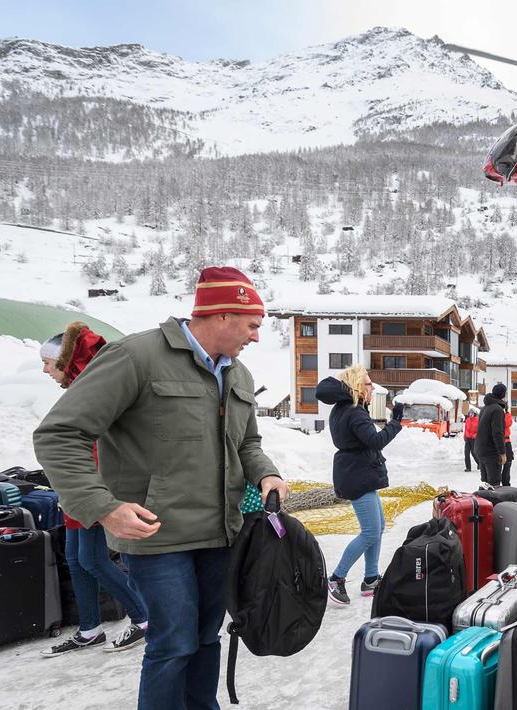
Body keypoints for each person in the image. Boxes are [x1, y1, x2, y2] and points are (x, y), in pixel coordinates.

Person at [33, 266, 289, 710]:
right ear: (222, 316)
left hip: (220, 534)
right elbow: (59, 434)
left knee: (206, 639)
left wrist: (265, 472)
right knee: (173, 643)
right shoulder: (135, 357)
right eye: (252, 325)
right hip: (158, 537)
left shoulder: (239, 375)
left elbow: (247, 441)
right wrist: (102, 506)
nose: (256, 337)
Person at [38, 322, 150, 657]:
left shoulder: (90, 387)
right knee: (76, 559)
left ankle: (143, 617)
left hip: (95, 491)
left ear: (64, 360)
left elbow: (98, 447)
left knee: (92, 559)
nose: (44, 369)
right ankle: (89, 628)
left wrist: (91, 495)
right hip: (77, 494)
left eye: (47, 362)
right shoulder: (77, 388)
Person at [316, 365, 404, 604]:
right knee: (370, 531)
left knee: (379, 526)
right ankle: (336, 578)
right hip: (357, 476)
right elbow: (376, 441)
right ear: (356, 386)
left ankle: (371, 579)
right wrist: (395, 422)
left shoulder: (345, 408)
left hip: (358, 472)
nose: (372, 386)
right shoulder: (354, 411)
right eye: (367, 383)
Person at [475, 383, 509, 486]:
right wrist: (502, 453)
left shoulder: (485, 408)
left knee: (486, 484)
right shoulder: (497, 410)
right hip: (491, 453)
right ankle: (492, 502)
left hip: (481, 450)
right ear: (503, 394)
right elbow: (497, 433)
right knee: (494, 485)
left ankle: (485, 501)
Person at [463, 408, 480, 473]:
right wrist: (465, 436)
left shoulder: (478, 420)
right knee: (466, 453)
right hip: (468, 438)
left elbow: (479, 430)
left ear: (475, 414)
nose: (471, 415)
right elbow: (466, 429)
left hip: (474, 439)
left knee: (474, 453)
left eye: (472, 413)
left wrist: (475, 435)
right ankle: (468, 467)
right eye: (470, 413)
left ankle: (479, 464)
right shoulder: (467, 420)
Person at [502, 408, 514, 487]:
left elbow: (507, 423)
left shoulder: (507, 415)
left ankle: (506, 483)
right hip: (497, 442)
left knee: (508, 463)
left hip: (506, 442)